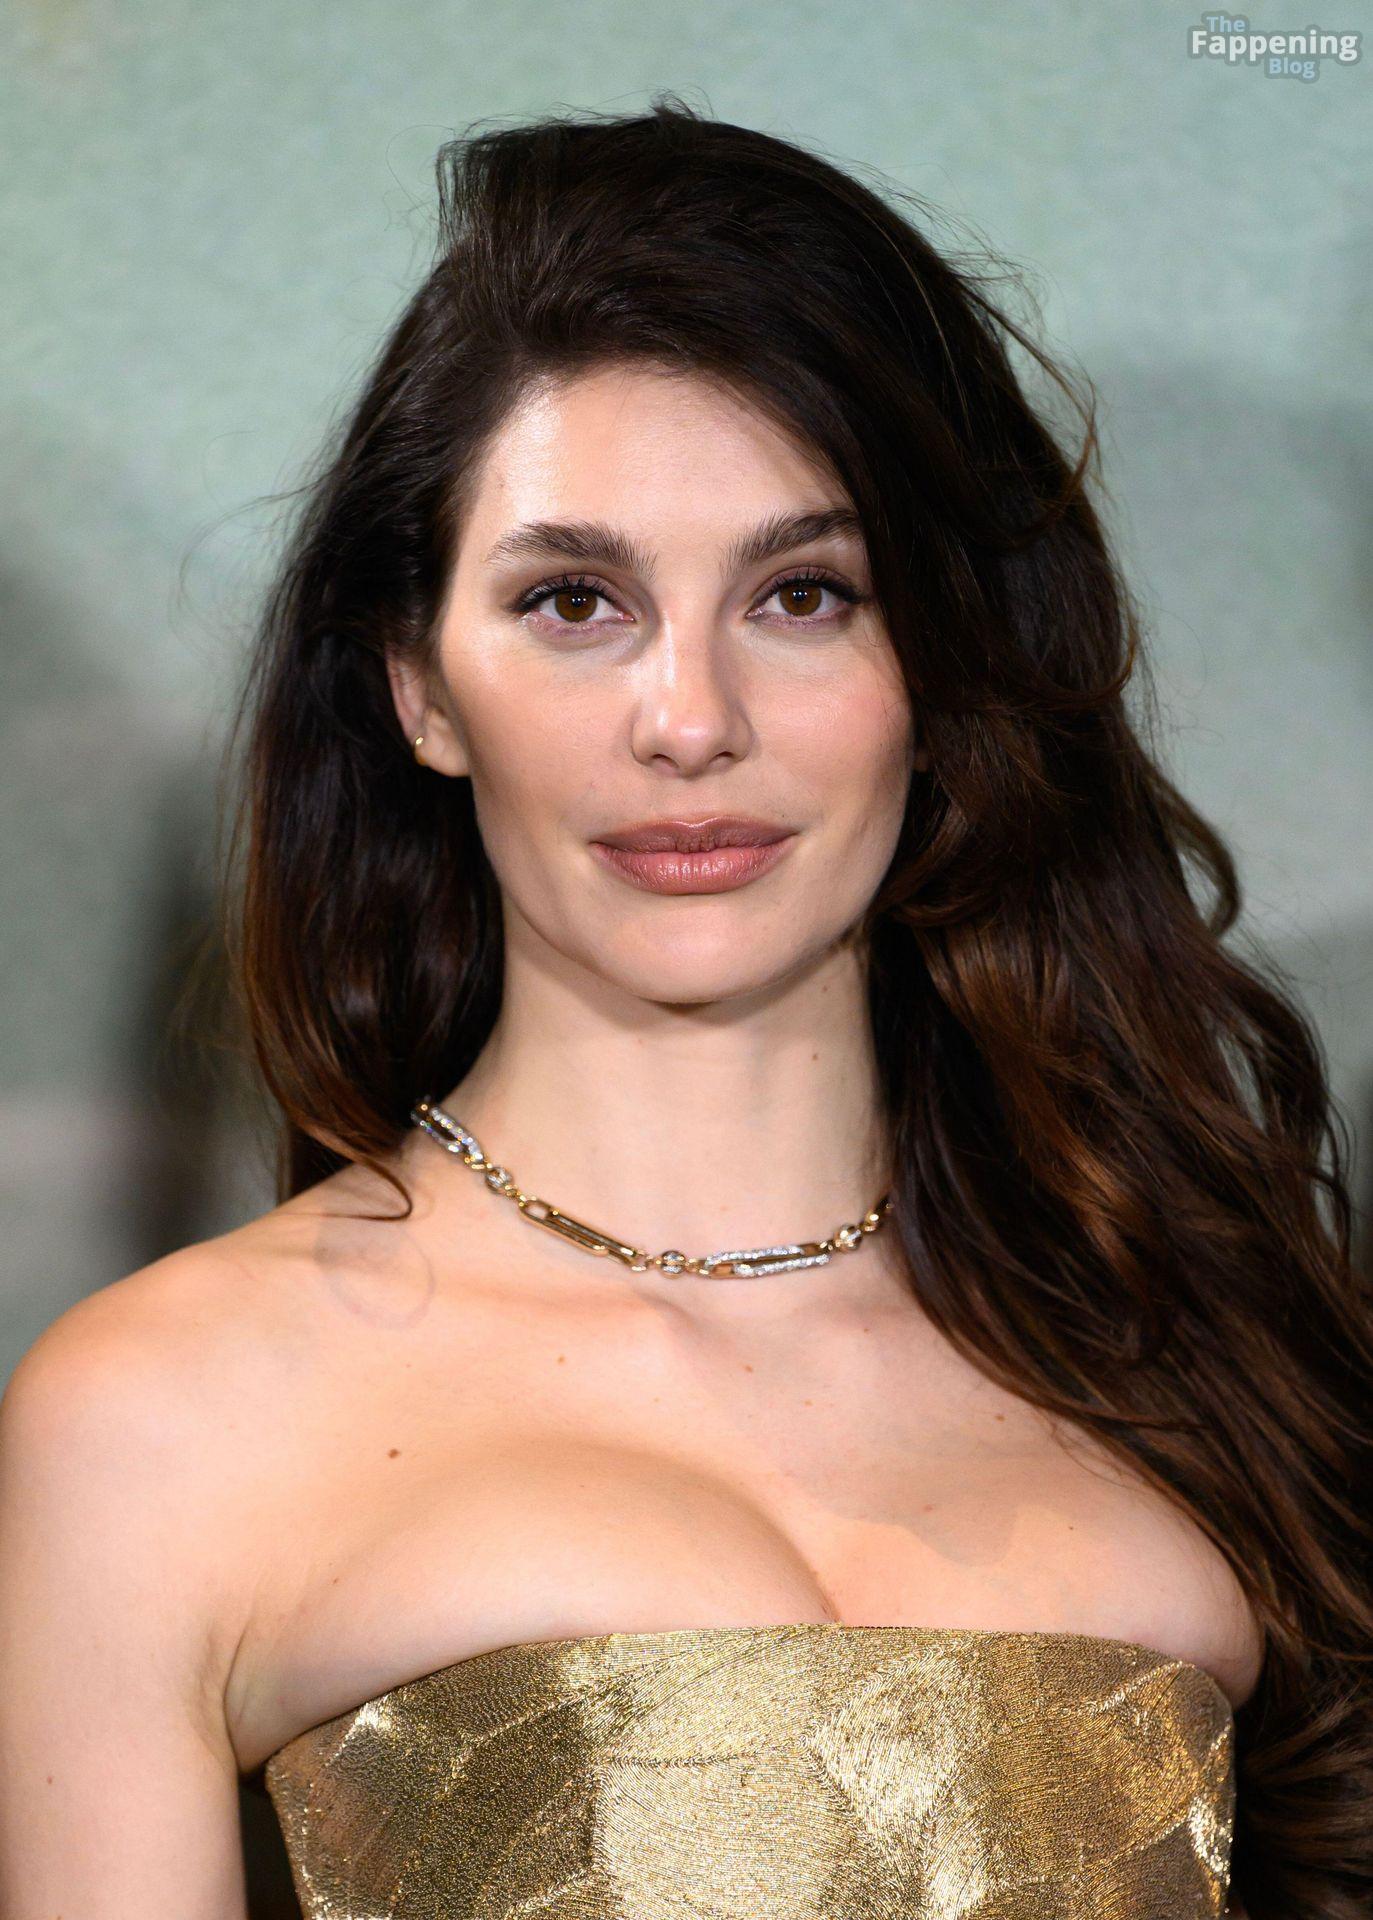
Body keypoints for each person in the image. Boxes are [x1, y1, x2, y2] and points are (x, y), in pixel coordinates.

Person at [0, 95, 1368, 1920]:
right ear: (418, 684)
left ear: (938, 660)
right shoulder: (160, 1416)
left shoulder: (1190, 1335)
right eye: (576, 602)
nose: (691, 720)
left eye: (803, 595)